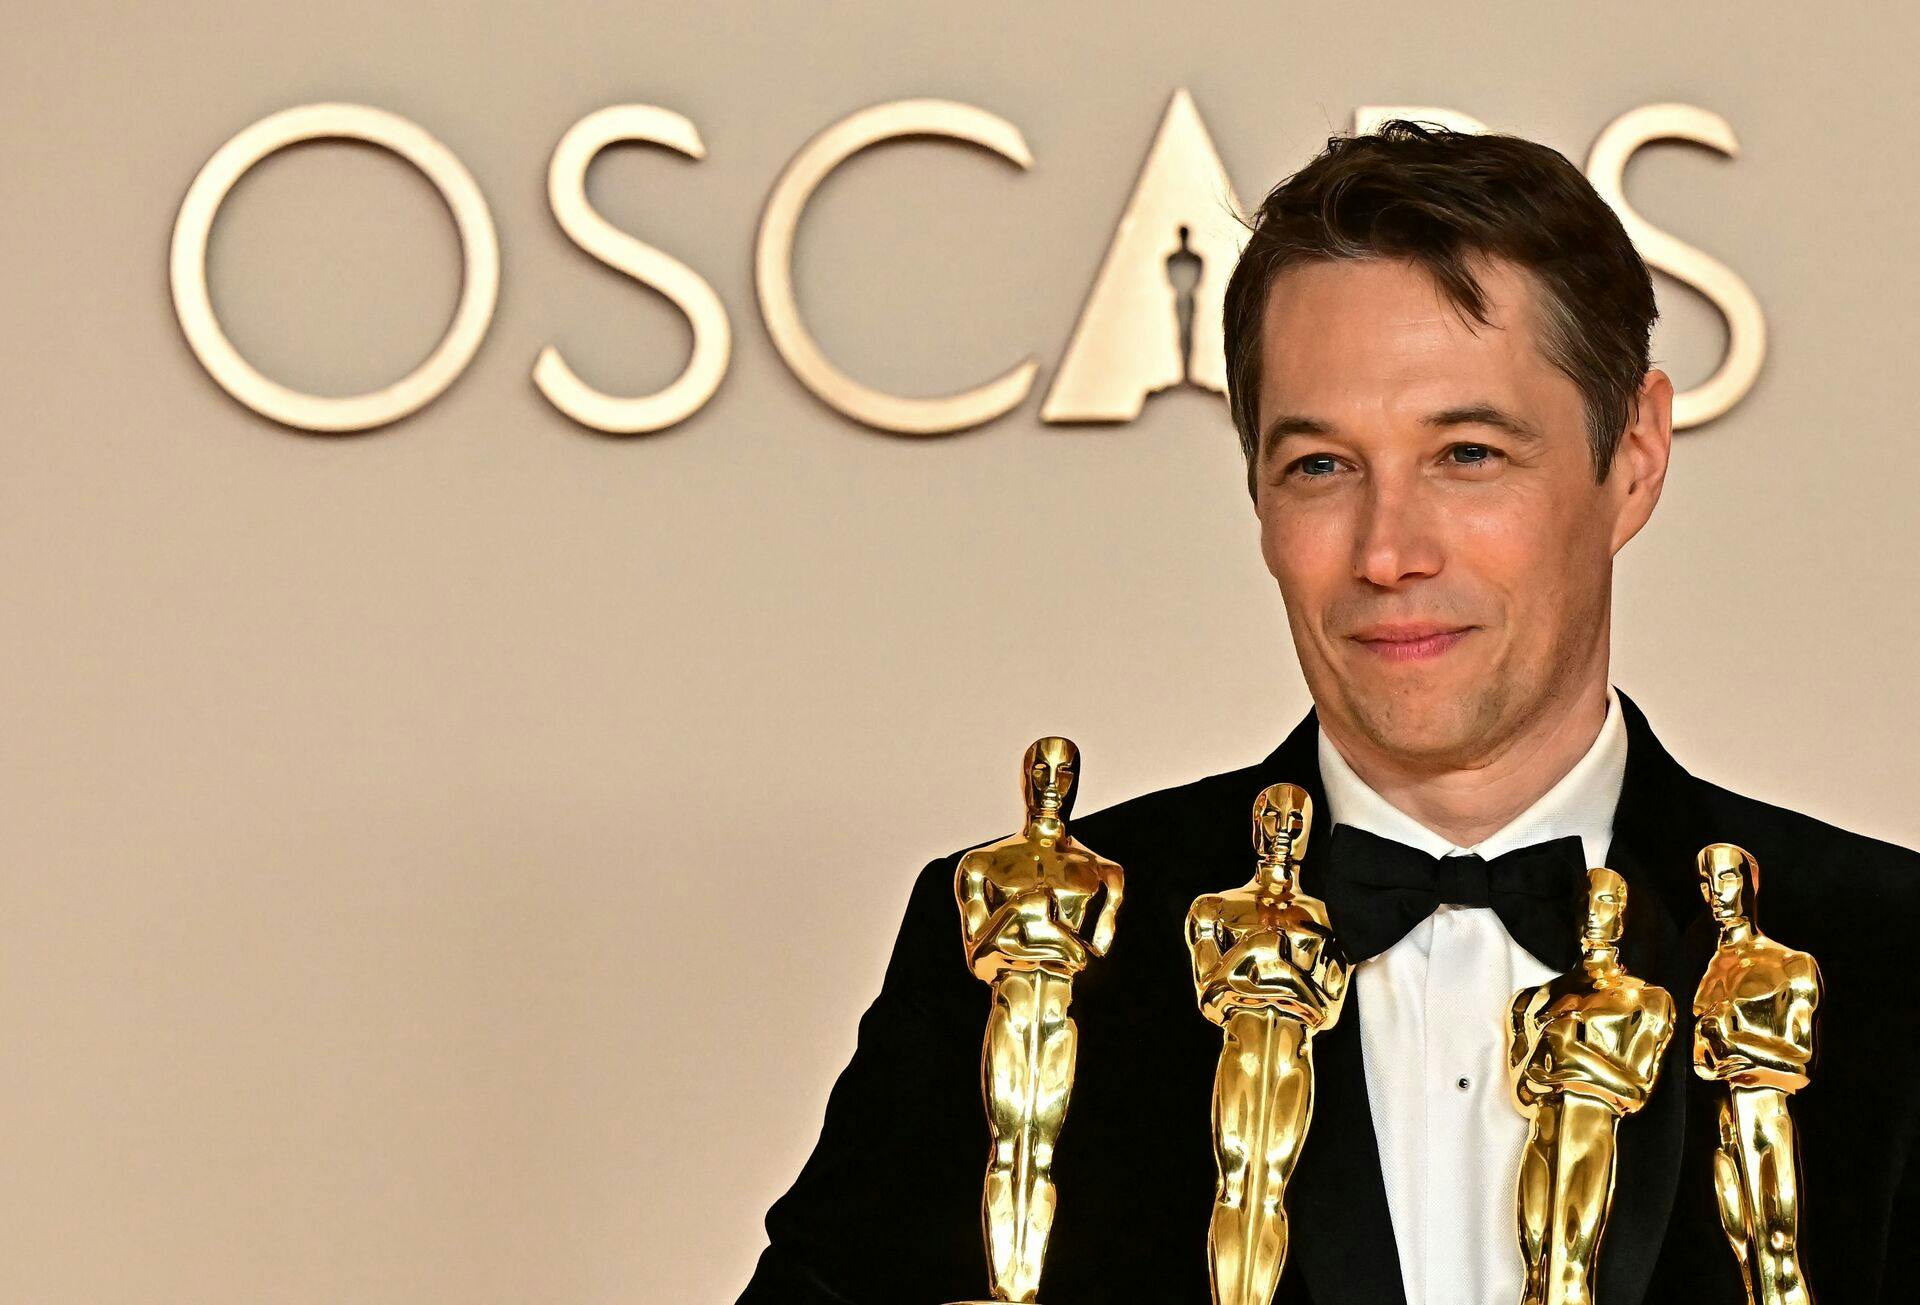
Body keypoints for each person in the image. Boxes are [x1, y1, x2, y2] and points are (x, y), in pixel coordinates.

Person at [736, 120, 1920, 1305]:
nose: (1387, 552)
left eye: (1467, 454)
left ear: (1638, 455)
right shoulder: (1028, 959)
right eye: (1321, 467)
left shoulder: (1891, 957)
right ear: (1256, 489)